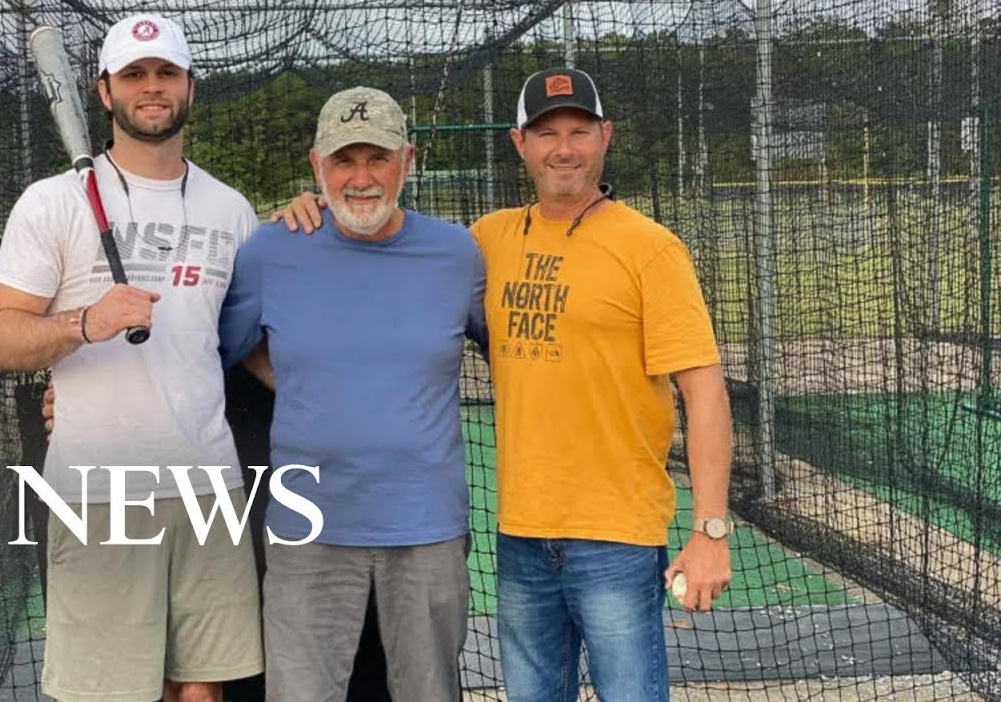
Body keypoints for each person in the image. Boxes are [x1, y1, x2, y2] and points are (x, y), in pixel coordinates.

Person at [278, 68, 733, 701]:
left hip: (618, 535)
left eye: (579, 131)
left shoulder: (650, 249)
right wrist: (317, 207)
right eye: (546, 133)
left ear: (606, 136)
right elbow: (389, 244)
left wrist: (710, 530)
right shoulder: (487, 241)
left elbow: (704, 389)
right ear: (520, 143)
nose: (564, 148)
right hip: (520, 535)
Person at [0, 13, 262, 702]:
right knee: (112, 693)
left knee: (201, 689)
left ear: (190, 86)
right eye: (134, 75)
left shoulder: (232, 211)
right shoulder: (52, 204)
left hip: (208, 487)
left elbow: (245, 346)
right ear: (104, 93)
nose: (152, 87)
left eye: (166, 72)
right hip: (100, 494)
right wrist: (85, 321)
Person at [217, 86, 487, 702]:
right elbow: (212, 355)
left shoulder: (456, 254)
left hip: (426, 528)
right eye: (344, 160)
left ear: (408, 161)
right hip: (307, 527)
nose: (361, 178)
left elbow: (519, 353)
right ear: (317, 166)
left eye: (378, 158)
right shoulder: (271, 251)